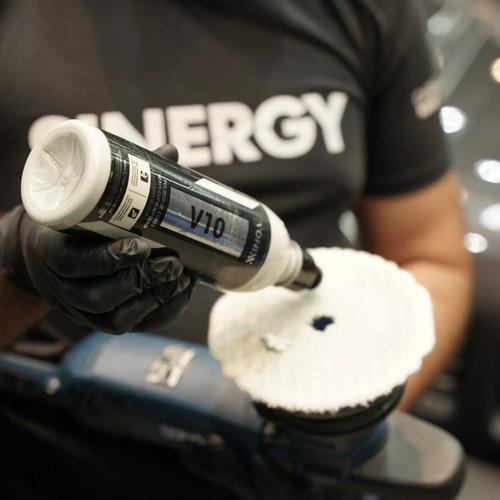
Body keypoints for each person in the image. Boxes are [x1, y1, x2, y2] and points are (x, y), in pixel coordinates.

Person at [0, 0, 474, 497]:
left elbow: (432, 256)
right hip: (63, 452)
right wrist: (16, 262)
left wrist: (344, 429)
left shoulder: (366, 11)